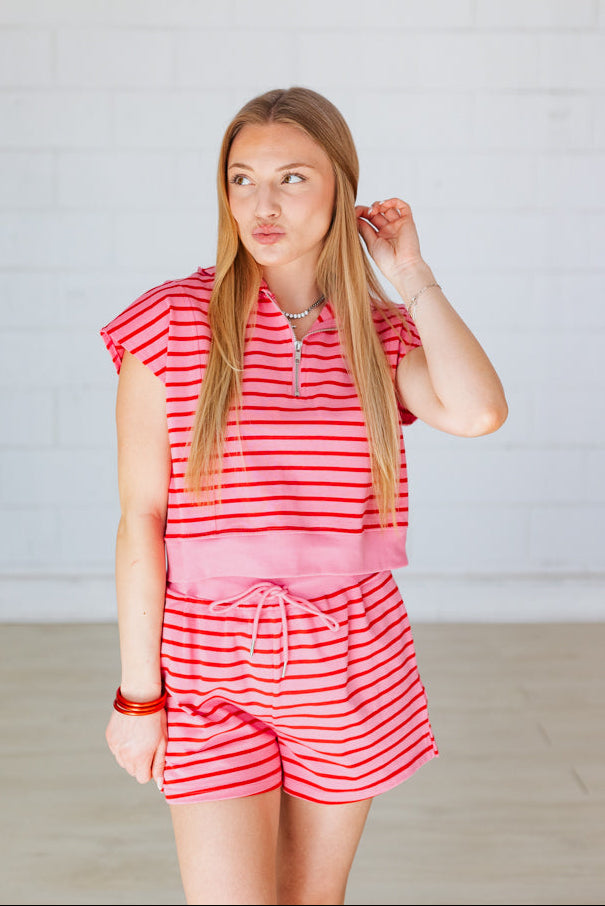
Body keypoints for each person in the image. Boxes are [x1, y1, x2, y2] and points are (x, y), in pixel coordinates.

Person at [100, 86, 507, 905]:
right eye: (242, 178)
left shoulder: (379, 336)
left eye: (291, 178)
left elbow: (477, 410)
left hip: (349, 653)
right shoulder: (172, 322)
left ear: (339, 191)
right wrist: (136, 694)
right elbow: (141, 520)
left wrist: (411, 275)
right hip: (207, 656)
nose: (262, 202)